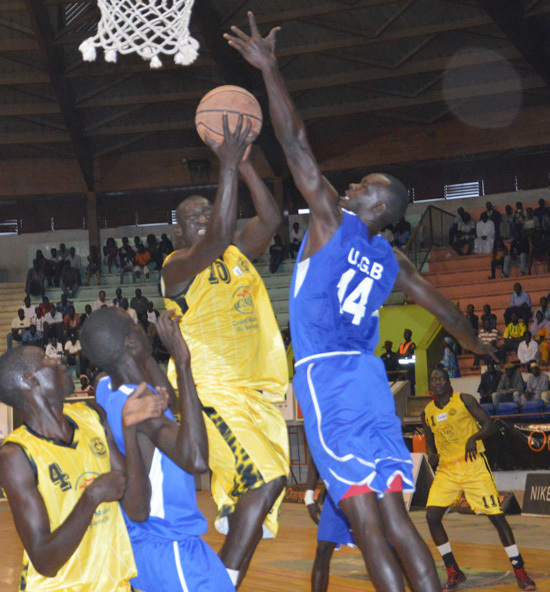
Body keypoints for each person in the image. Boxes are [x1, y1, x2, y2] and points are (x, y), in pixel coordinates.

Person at [225, 13, 496, 592]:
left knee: (369, 527)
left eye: (362, 186)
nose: (349, 187)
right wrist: (484, 351)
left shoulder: (331, 220)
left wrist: (271, 70)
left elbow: (295, 143)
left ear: (377, 207)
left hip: (328, 380)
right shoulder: (395, 261)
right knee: (398, 521)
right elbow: (448, 315)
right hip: (373, 383)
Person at [160, 113, 289, 587]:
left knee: (265, 495)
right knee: (267, 482)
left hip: (254, 393)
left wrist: (248, 163)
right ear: (177, 233)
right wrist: (226, 165)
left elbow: (272, 218)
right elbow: (216, 236)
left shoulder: (235, 252)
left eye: (205, 212)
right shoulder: (178, 267)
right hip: (212, 391)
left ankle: (228, 536)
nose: (202, 219)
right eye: (191, 217)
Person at [81, 307, 235, 592]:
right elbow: (197, 459)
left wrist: (145, 355)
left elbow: (171, 404)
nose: (144, 327)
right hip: (170, 543)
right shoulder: (144, 412)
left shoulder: (106, 386)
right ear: (129, 341)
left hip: (139, 539)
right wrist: (183, 362)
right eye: (136, 325)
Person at [0, 345, 166, 592]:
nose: (58, 361)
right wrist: (92, 497)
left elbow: (138, 510)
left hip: (115, 583)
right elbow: (45, 562)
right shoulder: (16, 455)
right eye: (46, 358)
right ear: (30, 379)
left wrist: (128, 429)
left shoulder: (91, 416)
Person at [423, 368, 536, 592]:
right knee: (431, 516)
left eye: (441, 378)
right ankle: (453, 570)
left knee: (497, 517)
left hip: (473, 466)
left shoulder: (464, 400)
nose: (437, 382)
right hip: (447, 470)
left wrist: (474, 437)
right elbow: (429, 441)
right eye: (434, 379)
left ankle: (519, 570)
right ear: (431, 386)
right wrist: (431, 455)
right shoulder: (427, 412)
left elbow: (489, 425)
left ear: (448, 383)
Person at [304, 456, 355, 592]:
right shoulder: (321, 435)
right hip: (335, 493)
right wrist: (309, 497)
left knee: (384, 550)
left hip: (367, 487)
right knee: (323, 548)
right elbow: (315, 455)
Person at [398, 328, 416, 395]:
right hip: (402, 367)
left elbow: (409, 354)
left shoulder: (412, 344)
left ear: (409, 335)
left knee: (410, 384)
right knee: (403, 385)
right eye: (404, 334)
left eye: (406, 334)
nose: (405, 336)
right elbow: (398, 354)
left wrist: (402, 356)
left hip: (409, 368)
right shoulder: (401, 344)